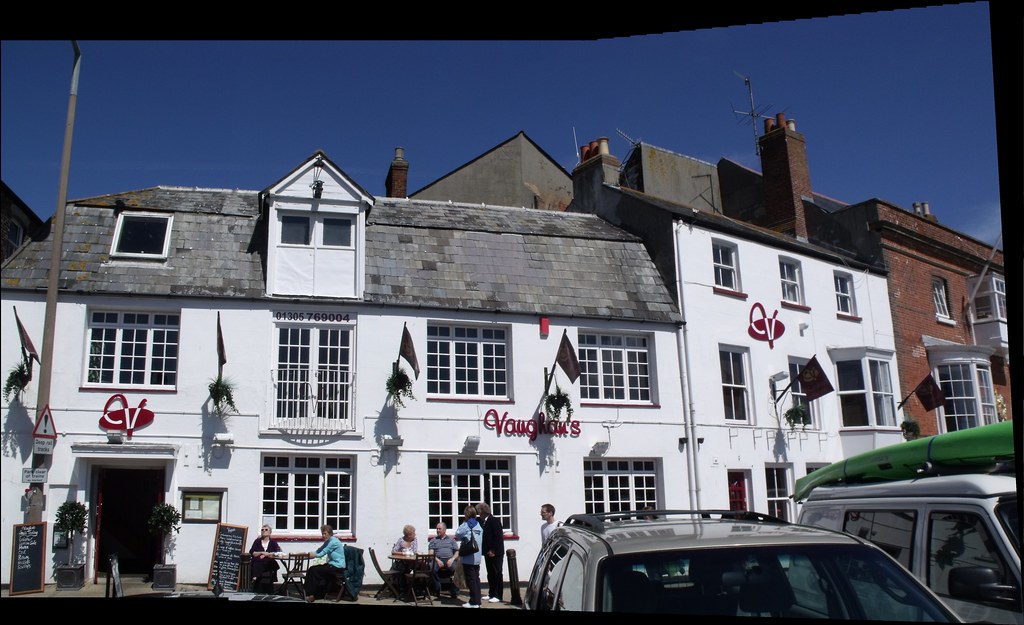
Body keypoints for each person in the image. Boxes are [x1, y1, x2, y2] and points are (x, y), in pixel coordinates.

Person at [302, 524, 346, 603]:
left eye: (325, 533)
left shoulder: (334, 542)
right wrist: (308, 553)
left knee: (315, 571)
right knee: (311, 569)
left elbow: (322, 553)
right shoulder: (328, 541)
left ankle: (312, 595)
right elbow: (319, 550)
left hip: (338, 566)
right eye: (322, 534)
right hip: (332, 564)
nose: (323, 535)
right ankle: (307, 592)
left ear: (330, 533)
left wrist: (313, 555)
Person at [455, 505, 484, 608]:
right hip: (477, 556)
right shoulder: (478, 525)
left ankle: (474, 602)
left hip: (468, 556)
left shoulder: (466, 525)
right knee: (476, 579)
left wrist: (463, 523)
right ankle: (477, 601)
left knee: (471, 579)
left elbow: (458, 533)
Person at [476, 501, 505, 604]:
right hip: (487, 552)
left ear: (482, 511)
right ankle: (491, 593)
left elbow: (498, 537)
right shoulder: (483, 521)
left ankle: (498, 595)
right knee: (490, 573)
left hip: (496, 552)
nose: (478, 514)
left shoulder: (494, 521)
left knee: (497, 573)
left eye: (479, 512)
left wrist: (493, 550)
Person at [248, 524, 283, 593]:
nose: (264, 531)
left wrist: (266, 555)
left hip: (269, 563)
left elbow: (277, 553)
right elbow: (253, 553)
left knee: (261, 563)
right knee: (258, 563)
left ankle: (255, 577)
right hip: (258, 562)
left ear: (270, 532)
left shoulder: (273, 543)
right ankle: (256, 579)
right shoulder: (257, 541)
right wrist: (262, 552)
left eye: (266, 530)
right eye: (262, 530)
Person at [428, 522, 460, 598]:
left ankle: (454, 591)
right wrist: (437, 560)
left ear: (444, 530)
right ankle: (437, 589)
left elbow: (457, 552)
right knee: (432, 568)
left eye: (439, 529)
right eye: (437, 529)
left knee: (456, 569)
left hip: (449, 559)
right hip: (437, 559)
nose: (437, 530)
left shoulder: (451, 540)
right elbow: (430, 553)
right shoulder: (433, 540)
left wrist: (452, 559)